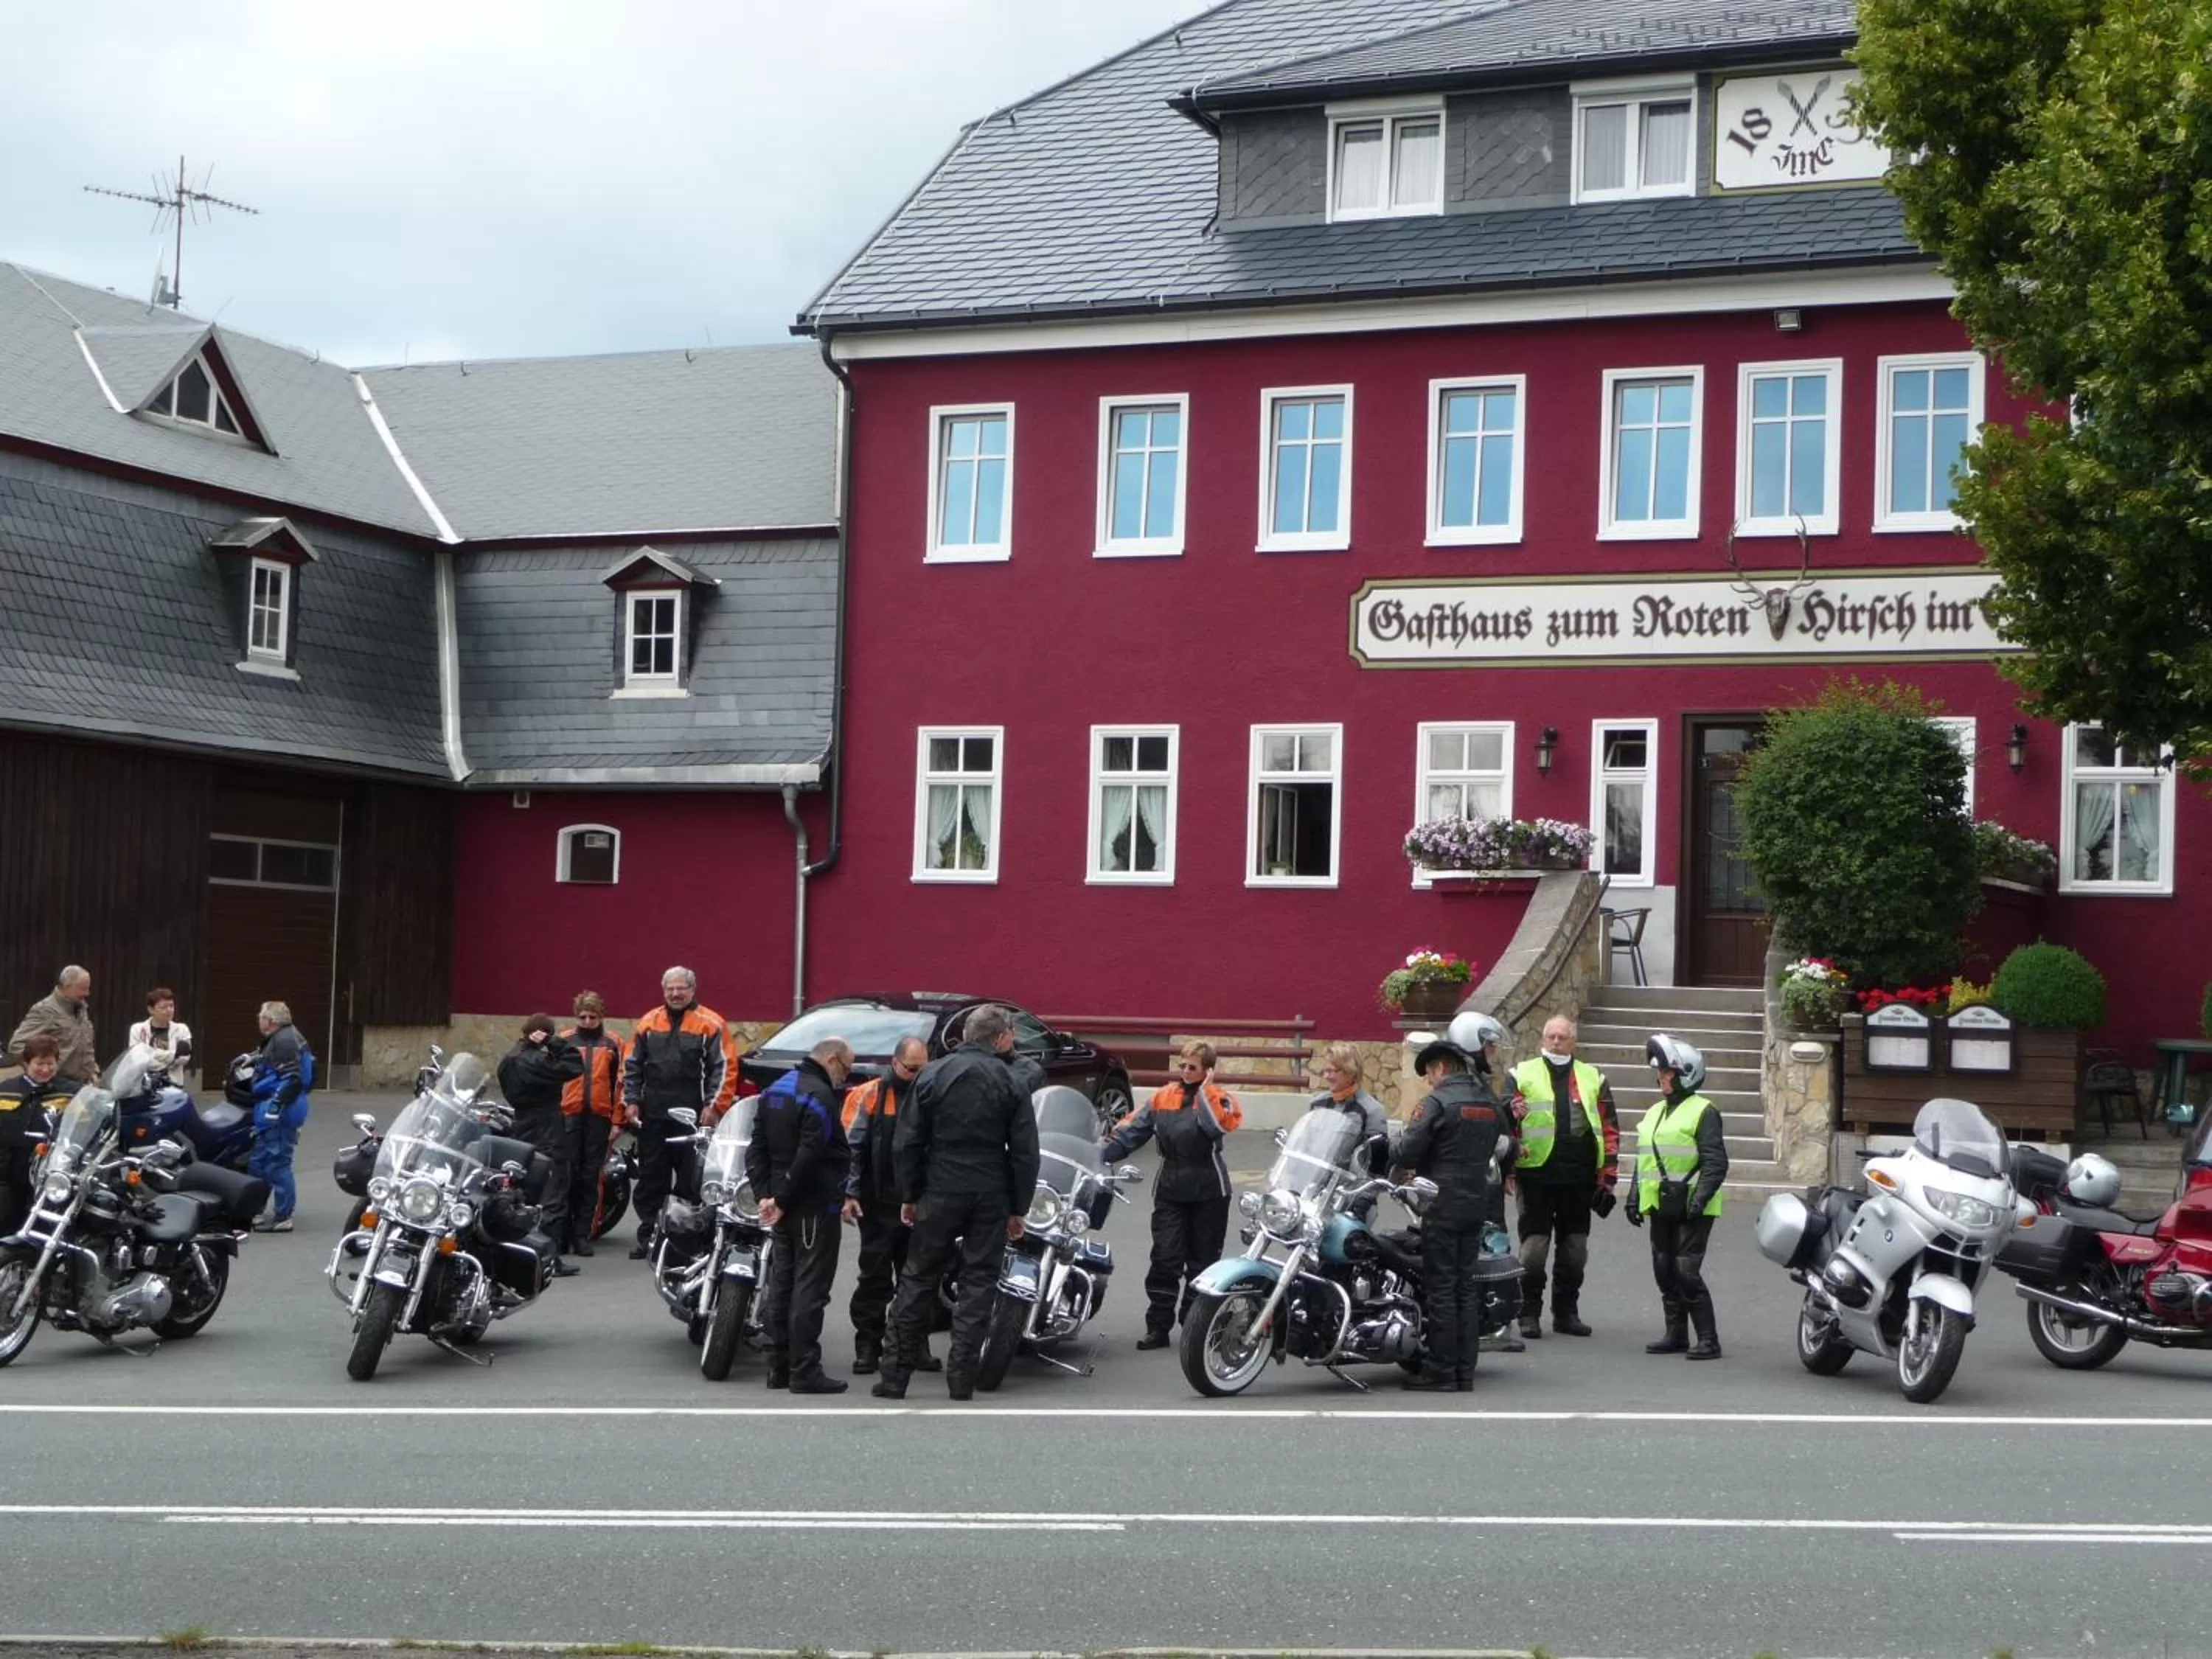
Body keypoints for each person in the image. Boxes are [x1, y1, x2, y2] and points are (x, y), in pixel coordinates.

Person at [872, 1004, 1040, 1402]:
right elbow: (1024, 1152)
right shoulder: (1011, 1080)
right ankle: (961, 1380)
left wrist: (910, 1194)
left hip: (940, 1187)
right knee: (978, 1283)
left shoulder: (932, 1073)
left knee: (917, 1278)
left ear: (966, 1035)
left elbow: (907, 1142)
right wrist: (1018, 1207)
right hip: (990, 1190)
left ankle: (894, 1377)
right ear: (1000, 1038)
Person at [1395, 1011, 1517, 1392]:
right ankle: (1465, 1370)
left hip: (1441, 1204)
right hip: (1476, 1203)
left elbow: (1408, 1150)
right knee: (1465, 1287)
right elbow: (1504, 1144)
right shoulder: (1488, 1100)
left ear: (1441, 1067)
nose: (1429, 1080)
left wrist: (1392, 1153)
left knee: (1442, 1289)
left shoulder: (1437, 1102)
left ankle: (1441, 1369)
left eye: (1430, 1073)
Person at [1102, 1039, 1244, 1350]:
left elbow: (1216, 1127)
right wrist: (1099, 1155)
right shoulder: (1162, 1097)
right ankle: (1158, 1327)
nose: (1185, 1071)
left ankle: (1194, 1324)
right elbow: (1130, 1132)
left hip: (1210, 1190)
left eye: (1193, 1067)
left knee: (1203, 1262)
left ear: (1208, 1071)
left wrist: (1204, 1092)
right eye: (1183, 1066)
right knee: (1165, 1258)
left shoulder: (1221, 1099)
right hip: (1170, 1188)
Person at [750, 1037, 856, 1394]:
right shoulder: (819, 1095)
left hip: (783, 1204)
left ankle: (778, 1367)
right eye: (846, 1068)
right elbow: (811, 1154)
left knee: (781, 1286)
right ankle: (805, 1371)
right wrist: (780, 1199)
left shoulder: (775, 1090)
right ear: (832, 1059)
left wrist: (765, 1196)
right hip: (813, 1206)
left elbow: (757, 1148)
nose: (846, 1076)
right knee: (809, 1290)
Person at [1508, 1015, 1621, 1340]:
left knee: (1575, 1249)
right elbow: (1507, 1123)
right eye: (1551, 1036)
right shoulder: (1520, 1074)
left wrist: (1608, 1178)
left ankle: (1566, 1313)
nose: (1556, 1042)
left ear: (1574, 1042)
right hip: (1536, 1177)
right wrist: (1507, 1169)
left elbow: (1609, 1128)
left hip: (1579, 1178)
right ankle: (1529, 1312)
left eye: (1563, 1037)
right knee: (1534, 1249)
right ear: (1543, 1040)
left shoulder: (1594, 1078)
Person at [841, 1035, 941, 1376]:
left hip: (921, 1203)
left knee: (919, 1279)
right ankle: (868, 1345)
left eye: (922, 1069)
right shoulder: (868, 1095)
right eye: (911, 1069)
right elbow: (851, 1150)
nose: (916, 1075)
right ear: (895, 1063)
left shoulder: (933, 1095)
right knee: (874, 1277)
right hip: (879, 1203)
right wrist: (850, 1194)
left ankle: (915, 1345)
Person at [622, 967, 737, 1259]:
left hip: (694, 1119)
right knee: (651, 1180)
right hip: (654, 1117)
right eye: (670, 989)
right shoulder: (648, 1022)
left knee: (691, 1182)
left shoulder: (711, 1024)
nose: (675, 994)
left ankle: (685, 1240)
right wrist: (631, 1101)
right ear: (664, 991)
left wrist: (714, 1106)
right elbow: (631, 1065)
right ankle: (650, 1237)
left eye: (681, 988)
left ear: (692, 990)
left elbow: (724, 1069)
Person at [1629, 1033, 1728, 1361]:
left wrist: (1699, 1200)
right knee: (1664, 1269)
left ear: (1686, 1074)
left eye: (1667, 1072)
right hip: (1660, 1202)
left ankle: (1708, 1339)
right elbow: (1644, 1158)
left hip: (1692, 1205)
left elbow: (1716, 1162)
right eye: (1660, 1072)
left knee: (1686, 1270)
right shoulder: (1654, 1112)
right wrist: (1634, 1195)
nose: (1661, 1077)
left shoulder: (1704, 1111)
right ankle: (1676, 1334)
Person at [498, 1015, 585, 1277]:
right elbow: (575, 1065)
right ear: (543, 1034)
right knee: (553, 1194)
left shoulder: (509, 1059)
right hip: (547, 1128)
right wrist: (555, 1043)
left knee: (523, 1192)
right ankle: (550, 1259)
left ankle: (519, 1253)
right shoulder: (536, 1060)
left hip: (521, 1125)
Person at [559, 992, 627, 1258]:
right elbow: (551, 1079)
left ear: (601, 1016)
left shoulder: (613, 1043)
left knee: (591, 1177)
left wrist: (618, 1121)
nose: (587, 1022)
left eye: (593, 1017)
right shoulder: (564, 1041)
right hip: (568, 1116)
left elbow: (621, 1084)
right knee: (566, 1176)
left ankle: (583, 1234)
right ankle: (562, 1233)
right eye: (583, 1017)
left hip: (600, 1118)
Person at [248, 1001, 313, 1233]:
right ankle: (256, 1211)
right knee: (260, 1162)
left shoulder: (284, 1040)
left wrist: (276, 1106)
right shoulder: (283, 1037)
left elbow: (292, 1078)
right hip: (277, 1109)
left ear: (271, 1021)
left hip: (282, 1111)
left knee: (277, 1163)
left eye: (261, 1016)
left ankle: (283, 1216)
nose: (259, 1019)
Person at [0, 1035, 71, 1236]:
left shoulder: (70, 1092)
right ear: (27, 1063)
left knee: (39, 1228)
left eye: (51, 1064)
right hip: (6, 1172)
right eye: (40, 1064)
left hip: (46, 1173)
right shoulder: (6, 1090)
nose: (46, 1070)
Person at [7, 966, 96, 1086]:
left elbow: (85, 1045)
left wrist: (93, 1072)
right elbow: (16, 1046)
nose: (87, 993)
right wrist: (39, 1072)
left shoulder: (81, 1009)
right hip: (54, 1086)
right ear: (67, 986)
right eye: (83, 989)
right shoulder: (45, 1010)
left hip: (82, 1085)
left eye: (88, 988)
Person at [128, 987, 193, 1078]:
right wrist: (173, 1055)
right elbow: (137, 1058)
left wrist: (150, 1053)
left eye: (171, 1006)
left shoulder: (182, 1029)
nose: (169, 1010)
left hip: (172, 1083)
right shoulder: (137, 1029)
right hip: (143, 1083)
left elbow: (184, 1058)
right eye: (163, 1007)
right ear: (151, 1010)